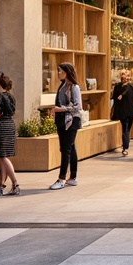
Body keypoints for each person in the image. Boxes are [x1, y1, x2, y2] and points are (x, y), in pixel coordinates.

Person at [49, 62, 82, 190]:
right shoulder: (63, 86)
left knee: (66, 149)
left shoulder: (74, 87)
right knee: (70, 148)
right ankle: (72, 177)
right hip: (62, 121)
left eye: (61, 71)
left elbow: (77, 106)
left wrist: (60, 109)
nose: (59, 74)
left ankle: (61, 178)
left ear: (67, 72)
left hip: (71, 121)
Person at [0, 71, 19, 196]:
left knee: (2, 156)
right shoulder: (11, 96)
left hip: (1, 126)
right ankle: (0, 184)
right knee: (3, 156)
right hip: (10, 125)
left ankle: (15, 183)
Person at [111, 69, 133, 156]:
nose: (124, 77)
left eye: (126, 75)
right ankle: (125, 147)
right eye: (122, 74)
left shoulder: (132, 86)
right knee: (125, 128)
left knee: (128, 128)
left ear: (129, 77)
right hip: (121, 111)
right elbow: (114, 98)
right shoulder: (117, 86)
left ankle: (126, 143)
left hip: (131, 110)